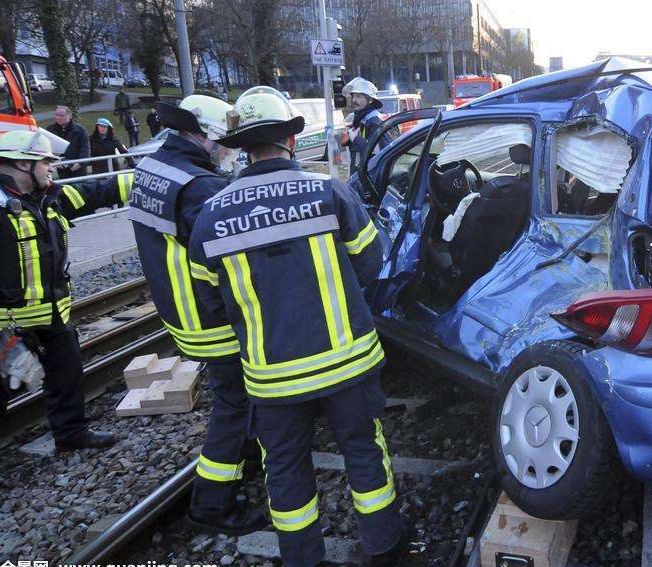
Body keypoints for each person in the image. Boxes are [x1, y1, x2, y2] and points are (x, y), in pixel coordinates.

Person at [188, 86, 408, 567]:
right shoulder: (328, 191)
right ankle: (385, 543)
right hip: (347, 362)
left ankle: (303, 557)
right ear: (291, 138)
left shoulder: (212, 215)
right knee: (364, 450)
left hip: (272, 378)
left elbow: (210, 298)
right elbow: (372, 263)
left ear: (243, 146)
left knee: (284, 468)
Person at [127, 95, 266, 536]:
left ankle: (245, 466)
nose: (229, 149)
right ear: (204, 133)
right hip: (213, 319)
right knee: (235, 405)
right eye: (224, 140)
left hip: (181, 312)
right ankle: (213, 504)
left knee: (234, 400)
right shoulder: (200, 187)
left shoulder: (153, 169)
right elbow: (231, 257)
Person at [0, 130, 132, 452]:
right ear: (21, 165)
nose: (52, 168)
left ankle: (71, 435)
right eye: (46, 162)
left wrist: (153, 178)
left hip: (52, 316)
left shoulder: (50, 198)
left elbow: (97, 191)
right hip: (8, 327)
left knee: (67, 376)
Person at [342, 77, 393, 172]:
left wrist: (350, 137)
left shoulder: (374, 121)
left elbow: (373, 150)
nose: (354, 100)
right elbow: (351, 143)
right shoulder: (361, 118)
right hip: (358, 171)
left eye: (359, 97)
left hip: (369, 174)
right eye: (354, 96)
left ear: (370, 100)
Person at [47, 106, 90, 178]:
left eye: (61, 115)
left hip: (77, 167)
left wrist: (80, 163)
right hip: (61, 166)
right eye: (56, 115)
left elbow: (85, 149)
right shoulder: (50, 130)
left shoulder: (80, 130)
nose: (58, 118)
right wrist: (55, 162)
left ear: (70, 116)